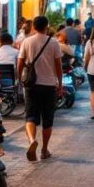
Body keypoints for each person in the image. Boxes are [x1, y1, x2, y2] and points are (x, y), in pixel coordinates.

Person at [16, 16, 63, 162]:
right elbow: (58, 65)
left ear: (34, 27)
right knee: (47, 119)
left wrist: (20, 80)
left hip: (31, 85)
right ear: (46, 26)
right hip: (49, 85)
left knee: (31, 116)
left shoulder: (27, 41)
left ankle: (31, 141)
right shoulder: (54, 42)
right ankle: (44, 150)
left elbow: (20, 63)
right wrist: (60, 84)